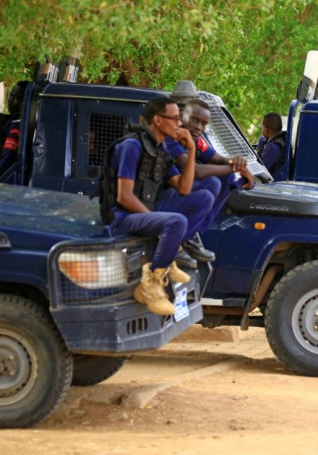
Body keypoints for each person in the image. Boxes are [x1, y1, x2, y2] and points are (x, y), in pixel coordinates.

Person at [107, 96, 215, 316]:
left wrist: (192, 149)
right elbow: (124, 197)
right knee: (176, 221)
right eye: (175, 118)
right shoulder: (132, 146)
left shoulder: (161, 151)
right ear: (157, 120)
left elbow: (184, 189)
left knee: (203, 197)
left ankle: (171, 254)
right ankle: (150, 285)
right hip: (122, 216)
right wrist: (156, 222)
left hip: (145, 212)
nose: (179, 124)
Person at [164, 98, 254, 267]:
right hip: (165, 196)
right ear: (183, 116)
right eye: (195, 120)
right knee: (212, 183)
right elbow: (196, 171)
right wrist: (234, 168)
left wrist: (240, 166)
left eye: (204, 124)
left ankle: (191, 235)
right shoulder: (172, 137)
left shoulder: (196, 139)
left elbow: (218, 159)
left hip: (182, 194)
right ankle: (177, 243)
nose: (199, 127)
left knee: (226, 179)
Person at [0, 82, 27, 180]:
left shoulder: (16, 127)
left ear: (24, 103)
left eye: (16, 98)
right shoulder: (8, 120)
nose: (10, 100)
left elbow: (3, 165)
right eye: (10, 96)